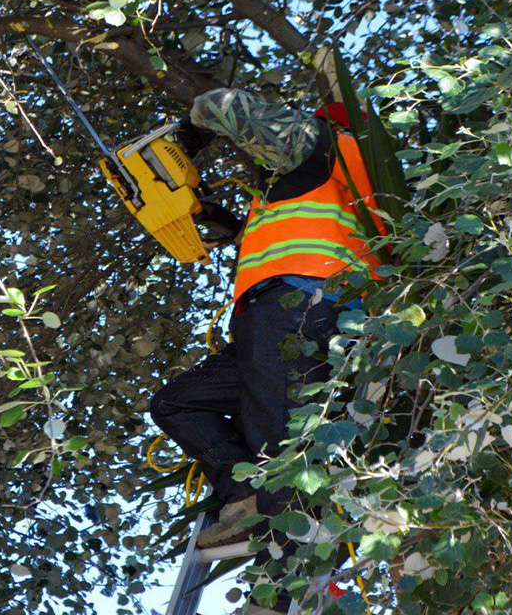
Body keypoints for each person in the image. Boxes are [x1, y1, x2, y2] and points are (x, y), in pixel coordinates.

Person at [149, 88, 384, 614]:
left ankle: (275, 600)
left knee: (279, 450)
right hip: (301, 316)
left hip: (295, 311)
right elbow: (300, 234)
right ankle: (244, 498)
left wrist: (188, 137)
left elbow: (219, 103)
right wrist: (226, 223)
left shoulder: (317, 144)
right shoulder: (336, 186)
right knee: (177, 402)